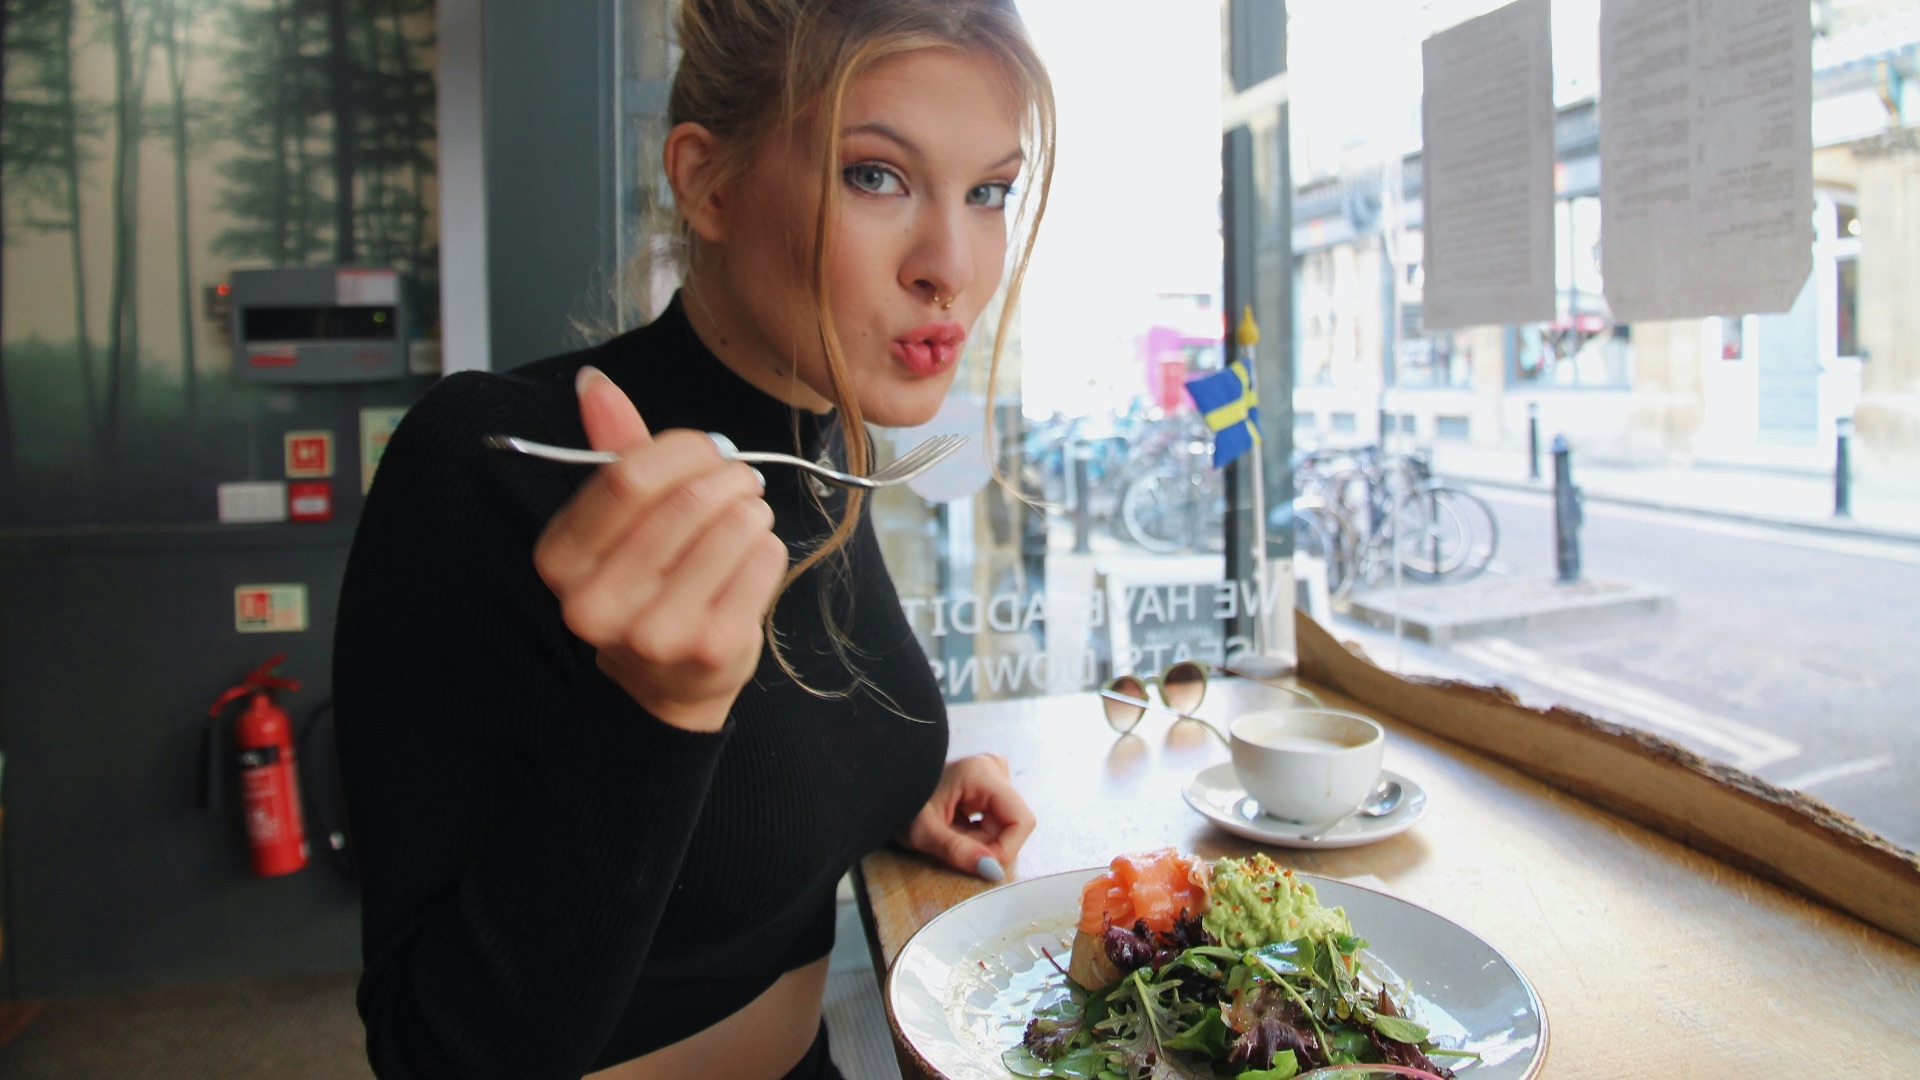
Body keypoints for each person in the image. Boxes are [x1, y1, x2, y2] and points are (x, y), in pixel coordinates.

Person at [332, 1, 1055, 1078]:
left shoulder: (824, 447)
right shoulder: (491, 461)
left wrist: (890, 789)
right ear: (708, 182)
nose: (950, 265)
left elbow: (745, 793)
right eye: (876, 176)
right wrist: (654, 709)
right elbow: (430, 1050)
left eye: (988, 191)